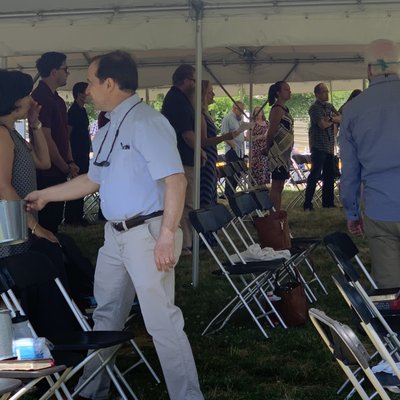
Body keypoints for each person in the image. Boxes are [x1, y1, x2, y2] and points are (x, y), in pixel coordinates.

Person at [26, 51, 204, 400]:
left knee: (161, 322)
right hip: (116, 236)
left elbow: (176, 181)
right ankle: (92, 391)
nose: (88, 91)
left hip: (147, 233)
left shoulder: (147, 122)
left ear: (110, 83)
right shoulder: (109, 126)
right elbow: (93, 180)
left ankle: (187, 396)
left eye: (92, 83)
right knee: (106, 315)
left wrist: (167, 236)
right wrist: (46, 194)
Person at [0, 69, 77, 337]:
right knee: (32, 270)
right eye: (27, 96)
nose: (32, 100)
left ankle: (58, 325)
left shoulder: (12, 133)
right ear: (13, 100)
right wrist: (34, 226)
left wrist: (35, 124)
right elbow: (2, 186)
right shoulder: (1, 134)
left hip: (17, 224)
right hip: (10, 228)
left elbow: (43, 163)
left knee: (56, 253)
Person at [340, 39, 400, 289]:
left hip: (379, 207)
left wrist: (352, 212)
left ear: (368, 70)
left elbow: (350, 171)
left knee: (390, 288)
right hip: (380, 204)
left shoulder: (353, 110)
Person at [32, 52, 79, 233]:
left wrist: (70, 161)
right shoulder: (41, 97)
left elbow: (63, 136)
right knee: (48, 222)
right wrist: (64, 166)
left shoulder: (57, 99)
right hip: (48, 172)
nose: (68, 73)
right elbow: (45, 137)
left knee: (55, 219)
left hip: (58, 168)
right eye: (65, 69)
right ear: (53, 72)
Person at [161, 64, 205, 256]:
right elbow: (187, 134)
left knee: (187, 201)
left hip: (181, 158)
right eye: (193, 80)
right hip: (182, 159)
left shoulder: (179, 99)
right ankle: (184, 243)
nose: (195, 84)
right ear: (185, 81)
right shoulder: (177, 101)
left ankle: (187, 241)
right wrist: (200, 150)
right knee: (185, 202)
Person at [200, 80, 239, 207]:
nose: (213, 94)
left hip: (210, 161)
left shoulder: (206, 114)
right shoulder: (200, 115)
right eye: (210, 92)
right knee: (205, 200)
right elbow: (204, 141)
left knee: (212, 197)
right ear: (202, 94)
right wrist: (225, 137)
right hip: (204, 163)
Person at [303, 82, 341, 211]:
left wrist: (330, 119)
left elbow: (340, 118)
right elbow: (322, 125)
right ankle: (308, 203)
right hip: (319, 146)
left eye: (327, 91)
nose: (327, 93)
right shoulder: (314, 108)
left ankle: (328, 203)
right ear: (317, 94)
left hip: (330, 146)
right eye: (324, 91)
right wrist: (332, 119)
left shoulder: (330, 106)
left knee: (329, 176)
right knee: (314, 175)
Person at [264, 81, 294, 211]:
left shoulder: (284, 109)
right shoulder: (277, 109)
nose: (289, 92)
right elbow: (270, 132)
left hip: (285, 153)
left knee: (280, 185)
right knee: (276, 185)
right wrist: (267, 147)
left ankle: (277, 210)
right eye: (286, 89)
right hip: (278, 154)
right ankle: (273, 212)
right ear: (278, 92)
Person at [64, 82, 91, 225]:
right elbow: (67, 134)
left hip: (83, 152)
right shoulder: (73, 111)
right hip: (76, 153)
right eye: (85, 92)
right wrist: (70, 158)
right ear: (79, 94)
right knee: (76, 184)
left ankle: (78, 215)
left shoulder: (83, 110)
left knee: (82, 184)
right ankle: (71, 217)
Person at [221, 101, 249, 197]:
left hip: (240, 150)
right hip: (232, 150)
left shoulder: (240, 120)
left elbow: (240, 134)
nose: (241, 112)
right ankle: (228, 193)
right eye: (240, 110)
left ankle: (232, 191)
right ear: (234, 108)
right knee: (232, 173)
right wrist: (232, 144)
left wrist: (245, 138)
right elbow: (224, 135)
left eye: (242, 110)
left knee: (239, 173)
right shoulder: (227, 119)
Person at [249, 107, 270, 186]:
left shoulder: (267, 123)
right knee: (258, 170)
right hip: (257, 151)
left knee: (266, 171)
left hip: (266, 150)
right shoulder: (253, 123)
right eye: (256, 111)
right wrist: (260, 137)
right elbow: (248, 137)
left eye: (259, 111)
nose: (258, 113)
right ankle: (257, 189)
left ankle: (265, 189)